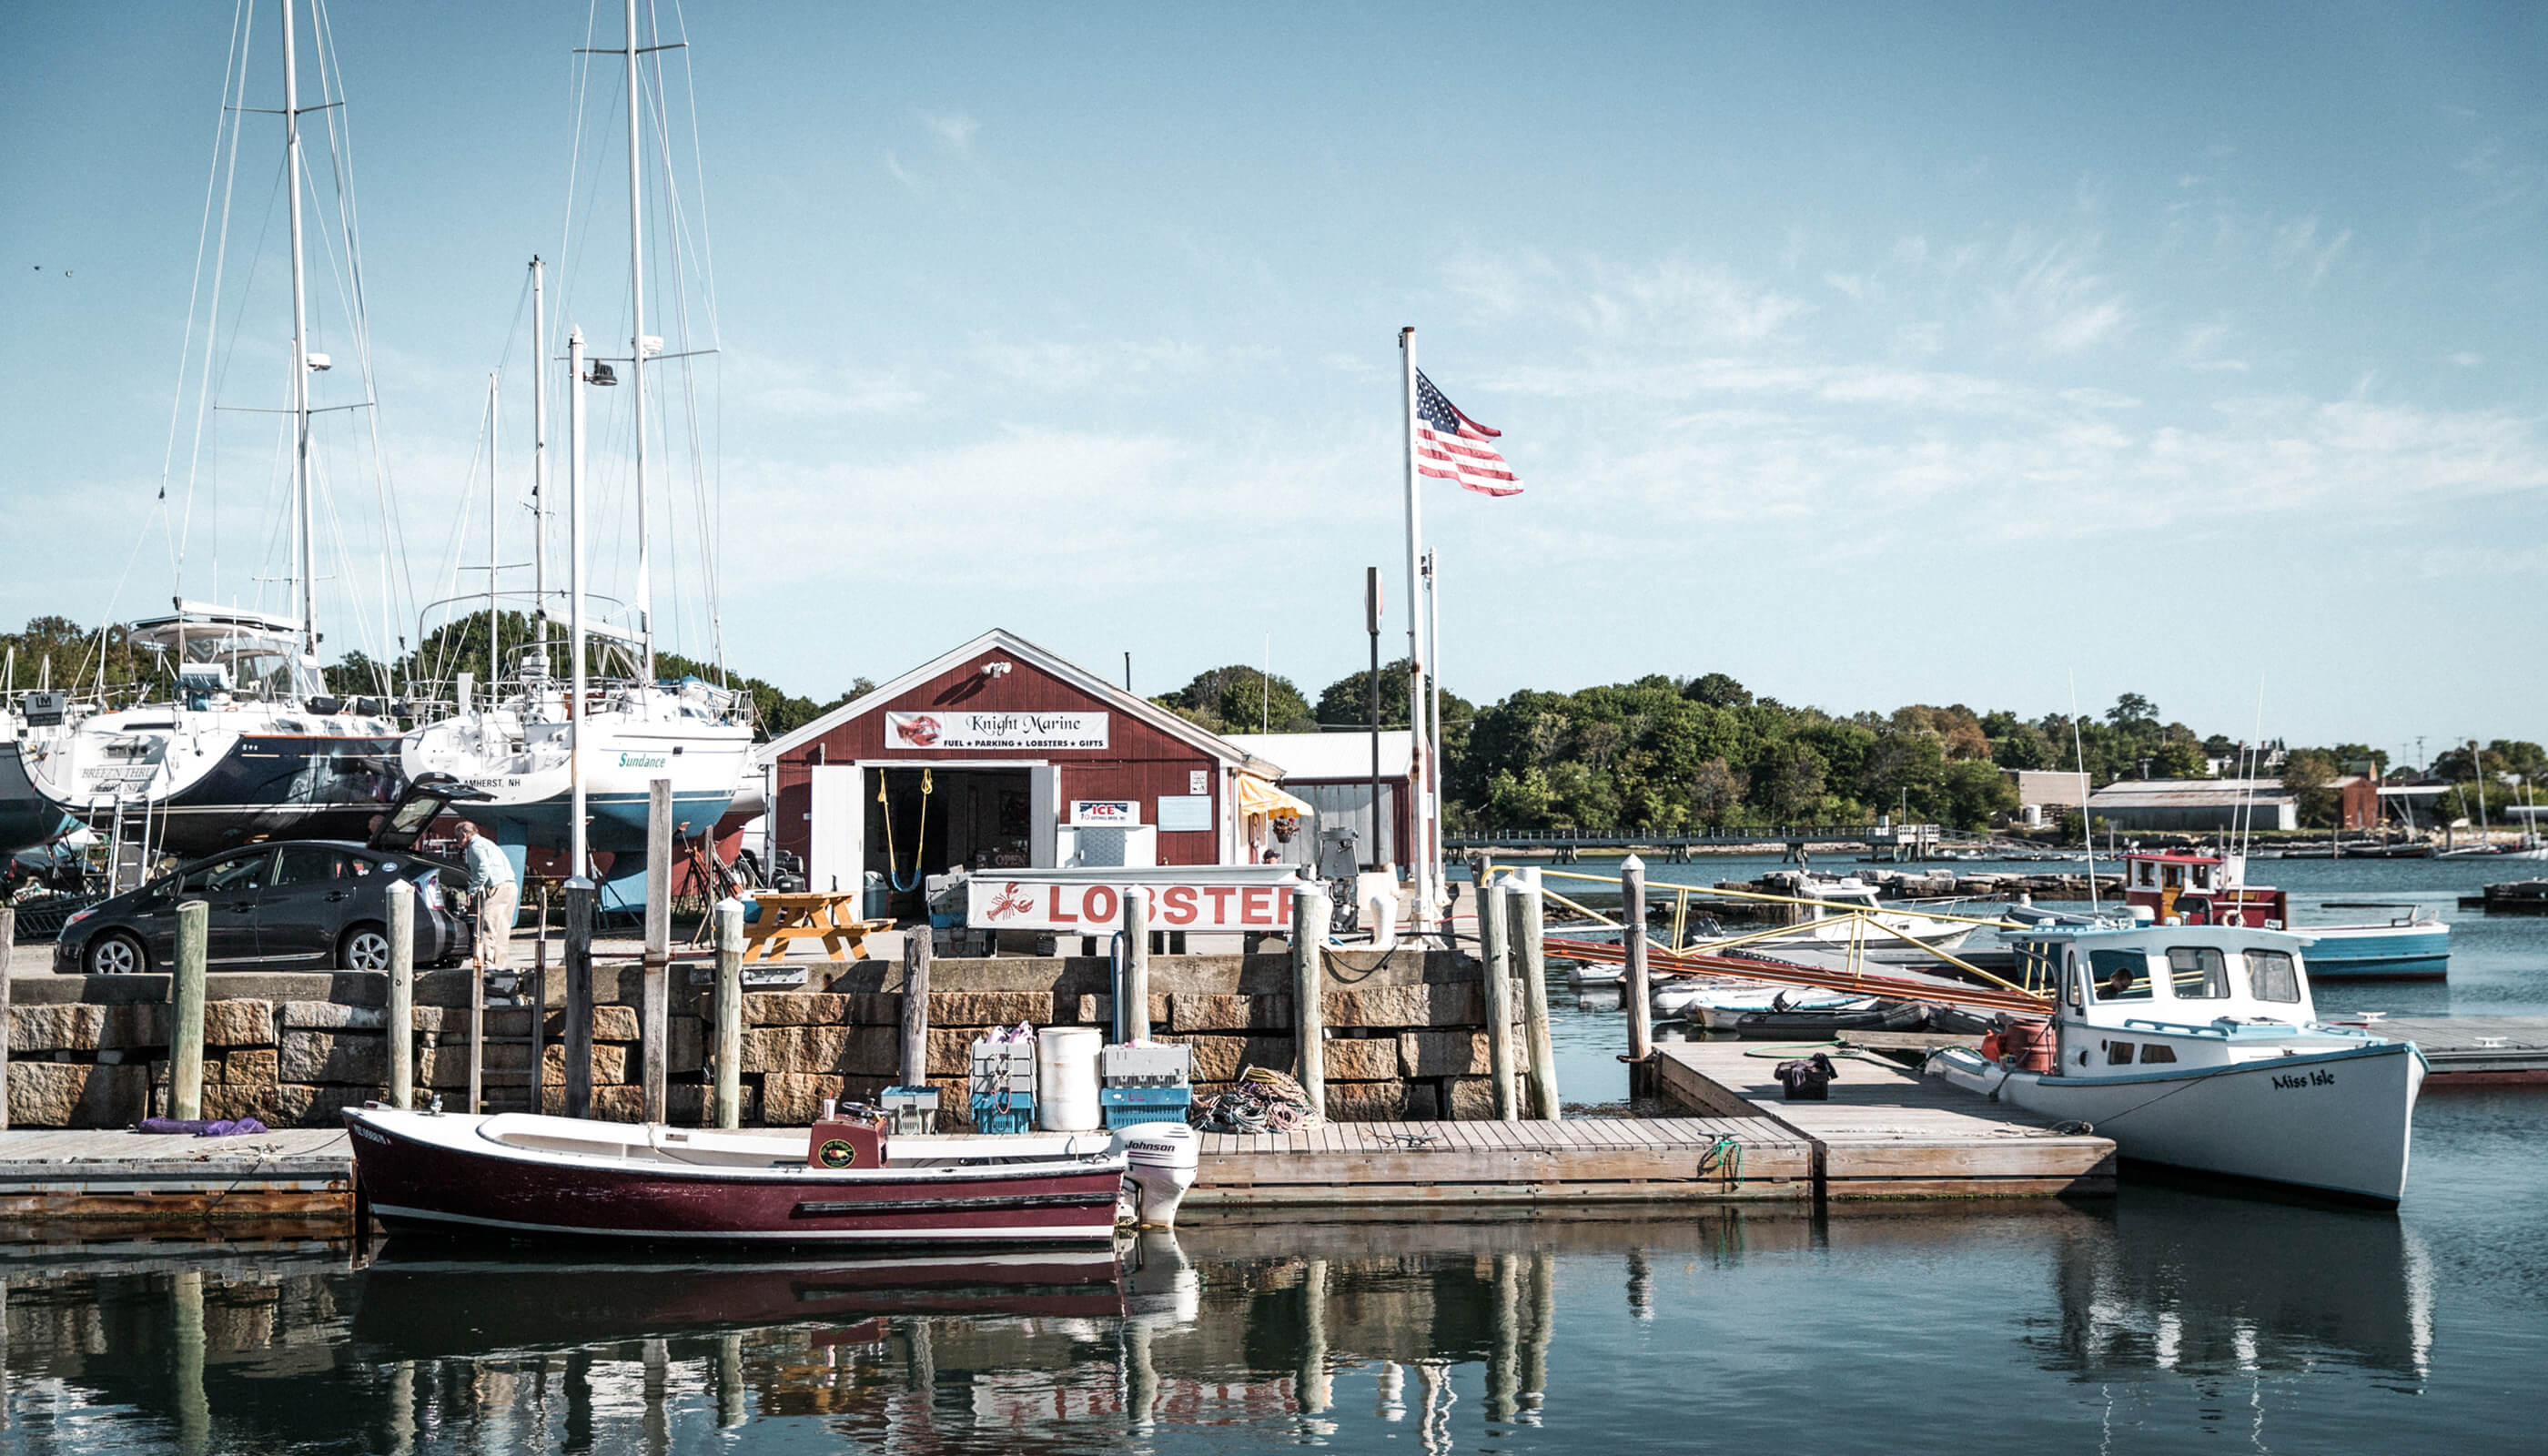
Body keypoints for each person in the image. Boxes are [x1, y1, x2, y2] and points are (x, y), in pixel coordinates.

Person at [453, 820, 516, 970]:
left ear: (464, 834)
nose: (457, 841)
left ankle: (489, 965)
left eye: (457, 837)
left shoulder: (476, 846)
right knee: (502, 929)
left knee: (488, 925)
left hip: (497, 887)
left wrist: (472, 889)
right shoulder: (488, 843)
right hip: (510, 886)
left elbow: (483, 870)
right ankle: (500, 965)